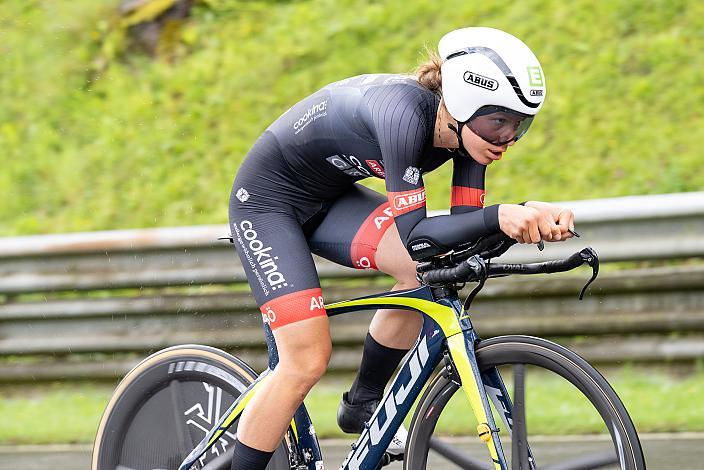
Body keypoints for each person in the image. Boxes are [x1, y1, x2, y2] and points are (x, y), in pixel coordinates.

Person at [228, 26, 574, 469]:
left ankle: (363, 404)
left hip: (330, 198)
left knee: (422, 271)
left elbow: (454, 242)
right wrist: (501, 215)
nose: (506, 139)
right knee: (306, 360)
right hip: (266, 203)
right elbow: (418, 235)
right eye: (498, 122)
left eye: (519, 126)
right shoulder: (404, 116)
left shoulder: (469, 138)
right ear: (464, 103)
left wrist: (523, 221)